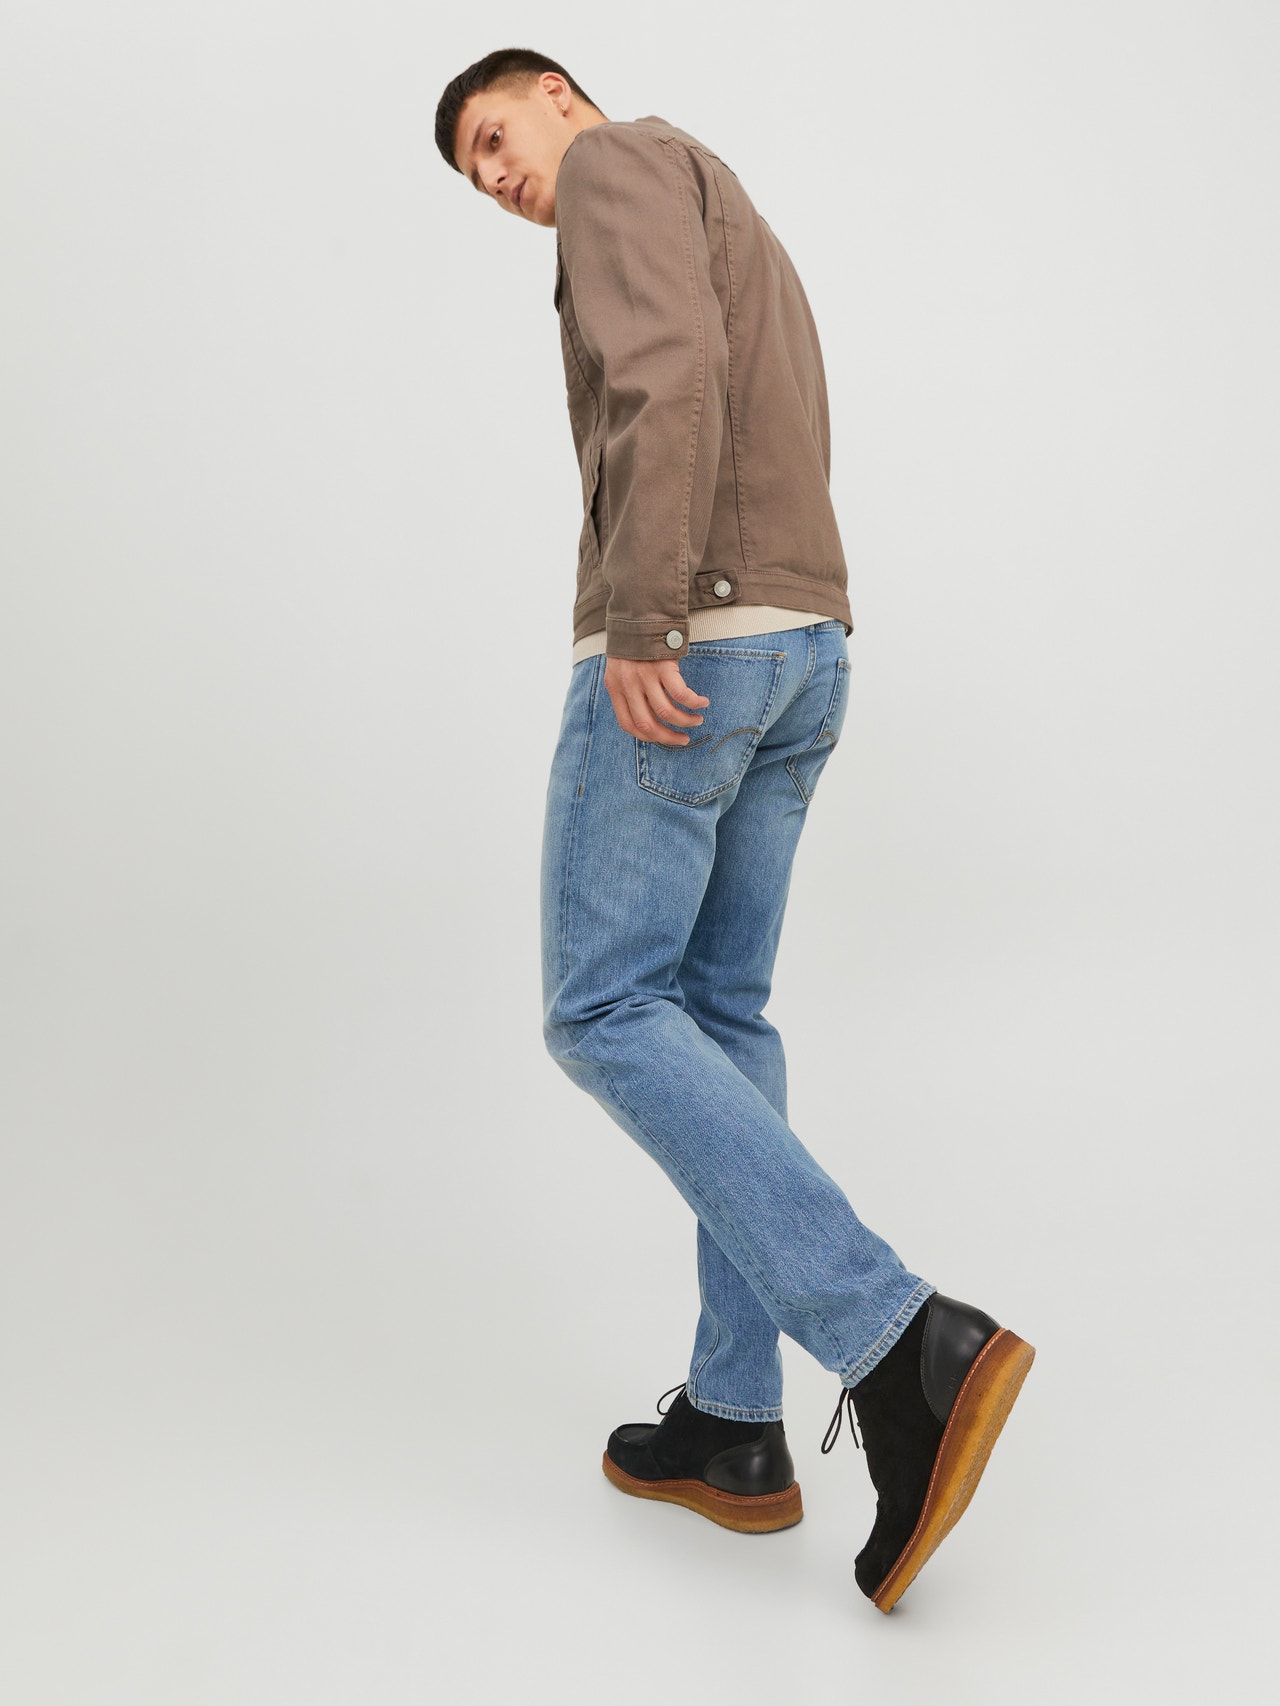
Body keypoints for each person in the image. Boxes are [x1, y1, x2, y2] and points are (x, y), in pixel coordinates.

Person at [435, 46, 1034, 1613]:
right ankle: (735, 1421)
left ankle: (899, 1339)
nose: (498, 178)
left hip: (692, 644)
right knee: (713, 1013)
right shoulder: (713, 191)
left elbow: (671, 374)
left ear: (558, 92)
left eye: (494, 135)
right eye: (476, 175)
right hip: (796, 646)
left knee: (601, 1007)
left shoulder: (617, 162)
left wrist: (644, 615)